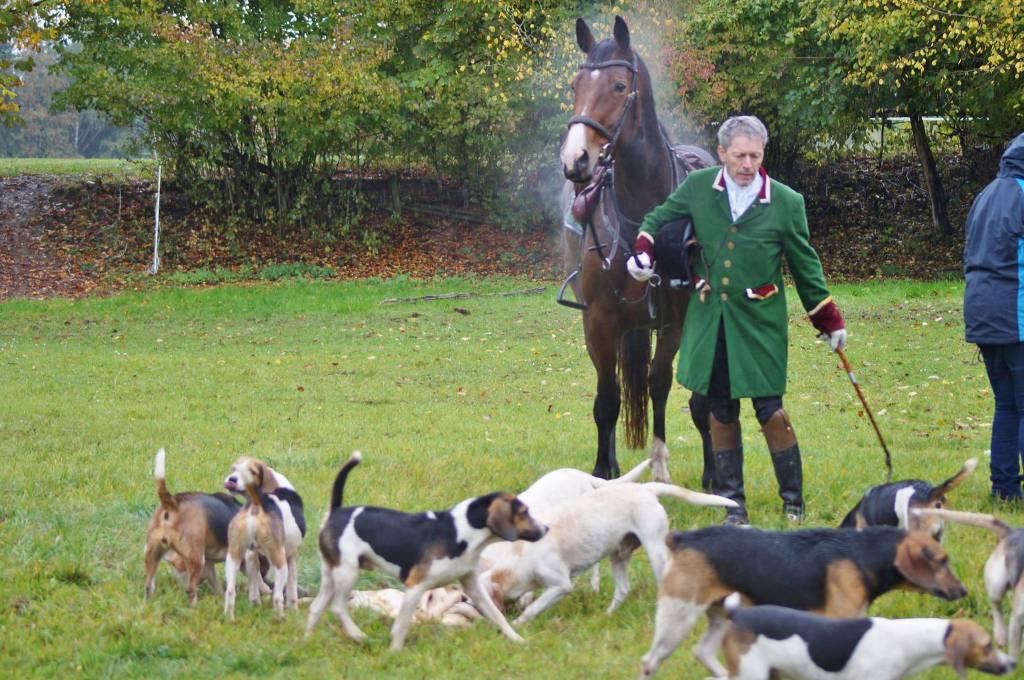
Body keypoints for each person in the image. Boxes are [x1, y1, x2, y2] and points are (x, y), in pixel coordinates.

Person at [627, 115, 846, 524]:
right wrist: (644, 250)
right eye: (740, 156)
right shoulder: (698, 187)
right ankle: (733, 506)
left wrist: (828, 320)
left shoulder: (786, 202)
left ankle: (793, 502)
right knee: (721, 409)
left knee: (770, 410)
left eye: (755, 156)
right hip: (713, 323)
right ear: (722, 153)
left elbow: (805, 267)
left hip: (761, 325)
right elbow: (657, 218)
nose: (748, 165)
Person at [964, 132, 1024, 502]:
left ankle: (1004, 489)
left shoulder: (985, 194)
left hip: (981, 315)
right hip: (1015, 316)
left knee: (1007, 404)